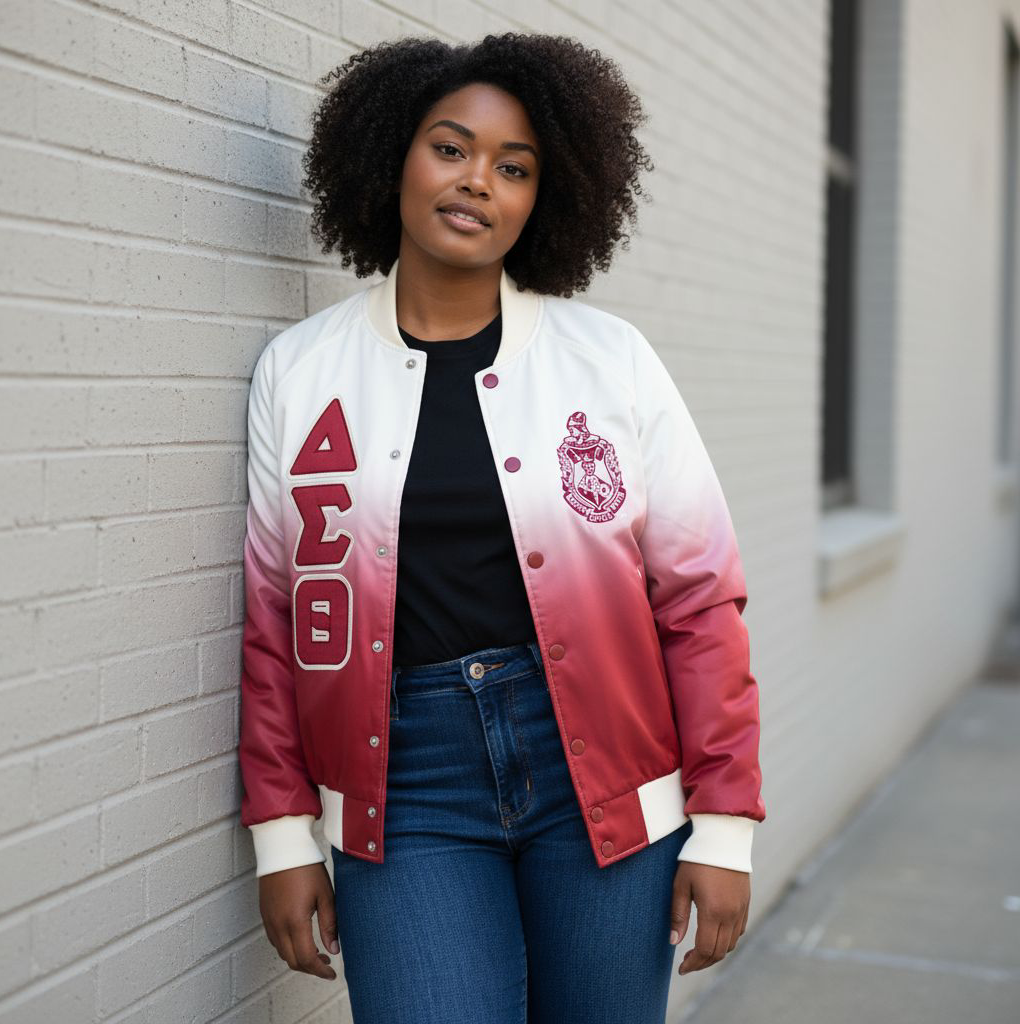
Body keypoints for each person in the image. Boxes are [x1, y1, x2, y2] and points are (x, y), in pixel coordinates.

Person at [238, 31, 765, 1024]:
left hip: (603, 775)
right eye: (450, 148)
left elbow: (699, 600)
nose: (478, 180)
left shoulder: (609, 361)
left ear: (542, 200)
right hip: (405, 785)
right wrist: (283, 836)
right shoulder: (301, 372)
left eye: (513, 168)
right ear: (391, 156)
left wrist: (724, 823)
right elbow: (275, 627)